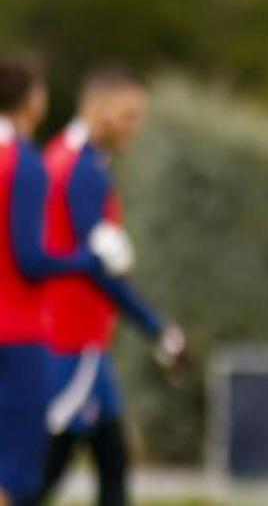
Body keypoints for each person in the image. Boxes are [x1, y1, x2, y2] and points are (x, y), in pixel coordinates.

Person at [38, 67, 185, 506]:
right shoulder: (83, 170)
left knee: (113, 462)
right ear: (99, 110)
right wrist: (157, 328)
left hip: (80, 341)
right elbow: (98, 270)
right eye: (128, 116)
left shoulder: (60, 153)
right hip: (72, 338)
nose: (134, 128)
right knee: (41, 473)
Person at [0, 57, 117, 506]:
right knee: (19, 479)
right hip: (19, 336)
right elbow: (30, 260)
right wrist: (90, 259)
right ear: (32, 99)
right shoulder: (24, 161)